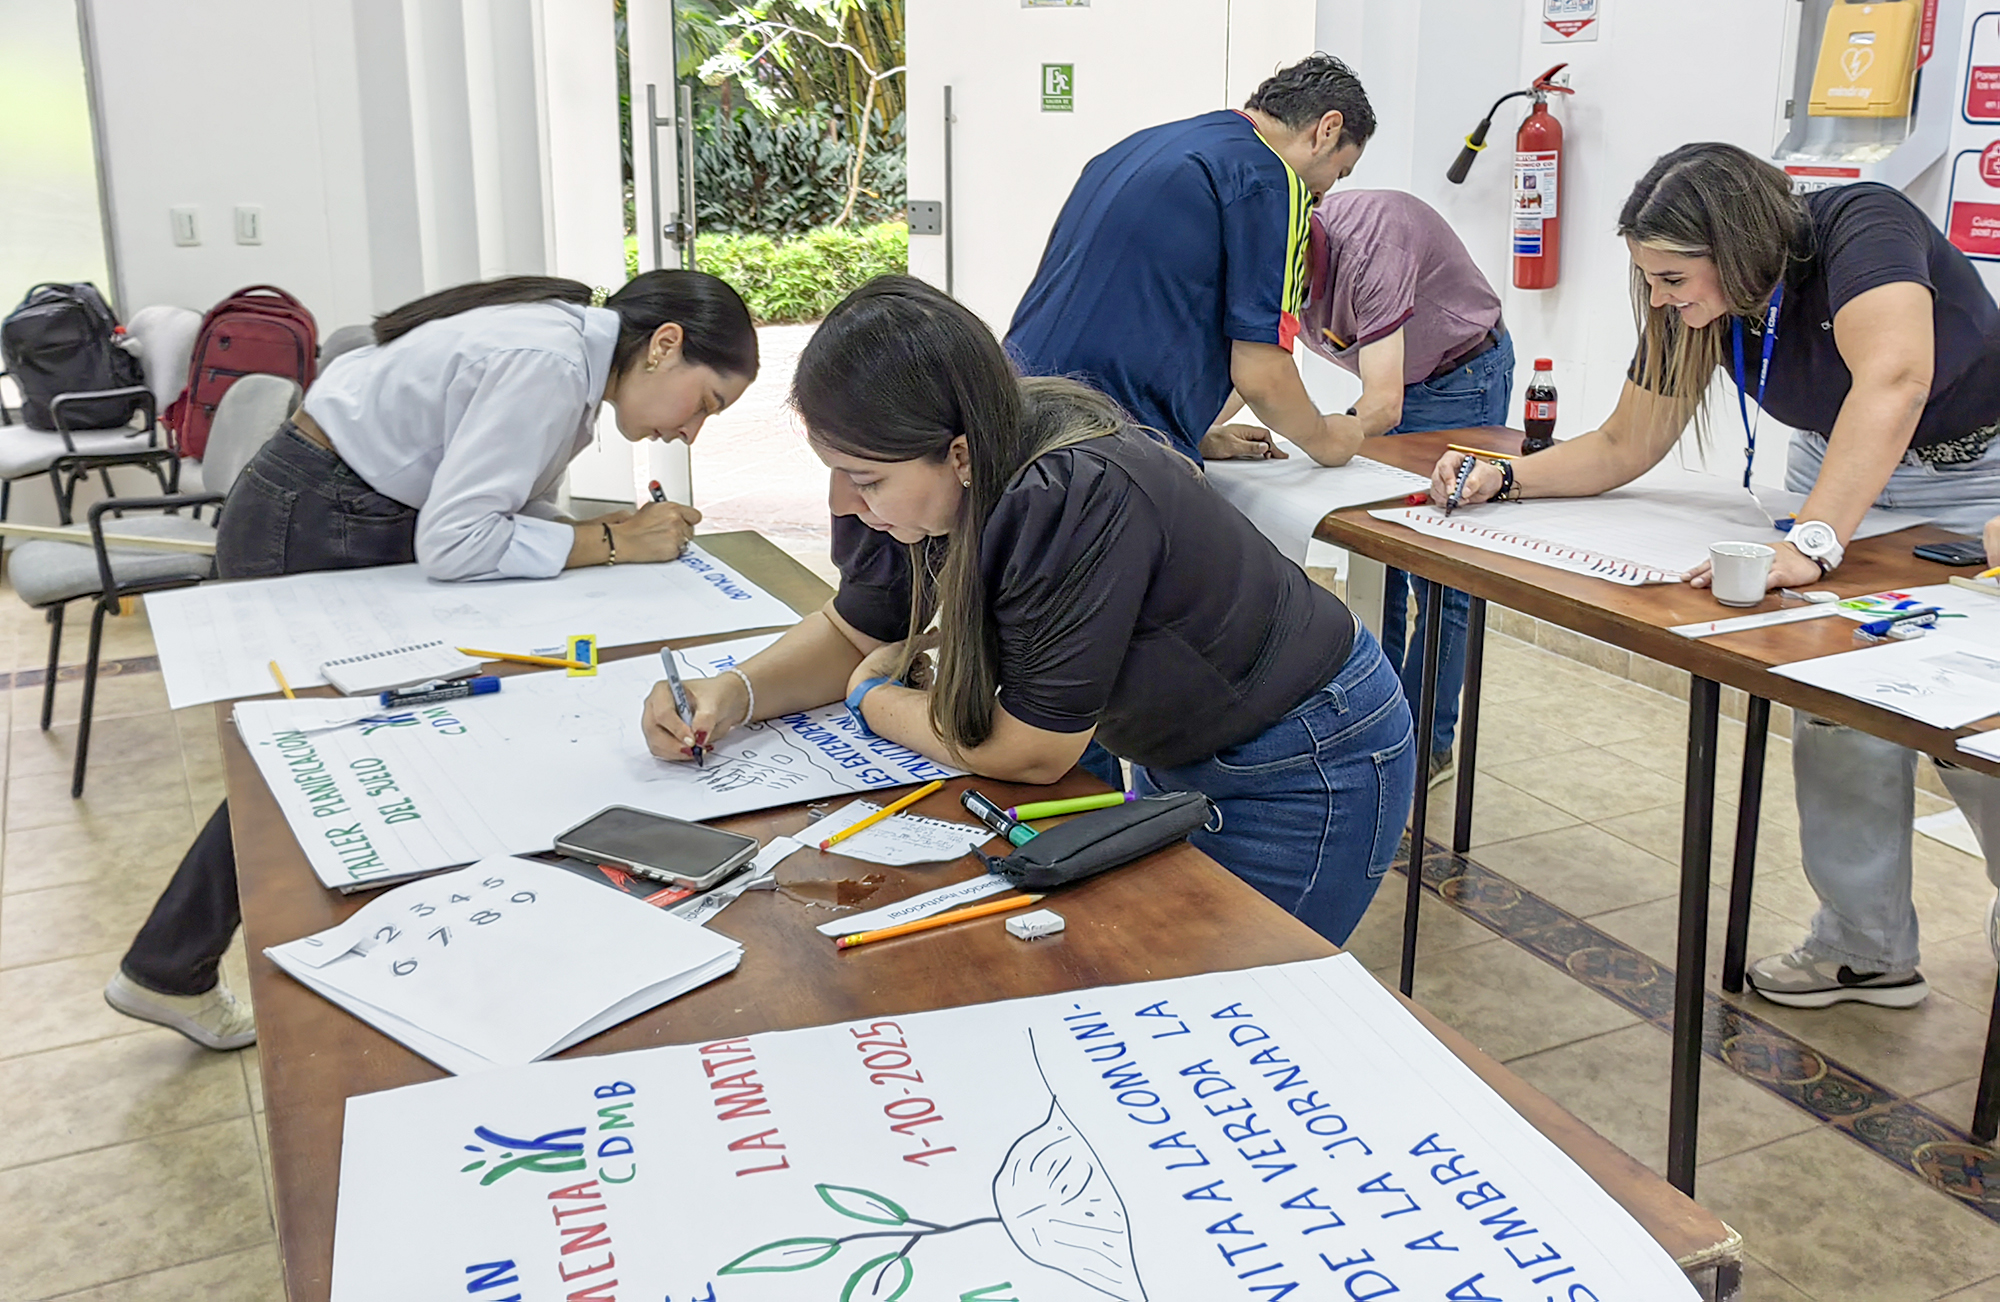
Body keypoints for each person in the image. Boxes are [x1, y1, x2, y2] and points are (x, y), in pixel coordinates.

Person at [643, 276, 1417, 945]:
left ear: (958, 453)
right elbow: (857, 629)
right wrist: (731, 695)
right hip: (1178, 744)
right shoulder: (904, 483)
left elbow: (1031, 749)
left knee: (1245, 990)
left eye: (866, 480)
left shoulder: (1070, 492)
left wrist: (876, 702)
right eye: (836, 473)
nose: (845, 501)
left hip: (1303, 756)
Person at [105, 270, 759, 1049]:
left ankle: (172, 966)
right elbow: (455, 543)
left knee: (330, 754)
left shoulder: (565, 351)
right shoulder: (549, 362)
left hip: (331, 505)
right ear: (664, 346)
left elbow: (505, 505)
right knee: (313, 759)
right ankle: (187, 971)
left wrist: (601, 541)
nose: (689, 433)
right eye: (706, 405)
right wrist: (614, 541)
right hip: (319, 518)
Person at [1429, 142, 2000, 1008]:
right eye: (1648, 279)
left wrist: (1811, 540)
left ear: (1734, 245)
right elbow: (1627, 443)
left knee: (1968, 706)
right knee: (1839, 701)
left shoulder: (1862, 223)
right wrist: (1504, 476)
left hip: (1976, 474)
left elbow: (1896, 378)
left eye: (1671, 278)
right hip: (1842, 471)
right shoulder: (1693, 305)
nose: (1658, 299)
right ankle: (1865, 945)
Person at [1210, 189, 1512, 788]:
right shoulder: (1269, 261)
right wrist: (1200, 435)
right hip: (1397, 384)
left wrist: (1324, 436)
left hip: (1460, 377)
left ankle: (1430, 742)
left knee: (1445, 575)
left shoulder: (1375, 241)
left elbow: (1383, 402)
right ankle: (1385, 731)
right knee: (1383, 564)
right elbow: (1258, 368)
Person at [1006, 53, 1376, 468]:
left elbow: (1136, 302)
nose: (1323, 195)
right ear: (1327, 131)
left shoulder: (1142, 145)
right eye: (1339, 173)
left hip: (1015, 410)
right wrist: (1327, 439)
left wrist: (1188, 430)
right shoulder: (1272, 181)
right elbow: (1262, 376)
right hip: (1100, 447)